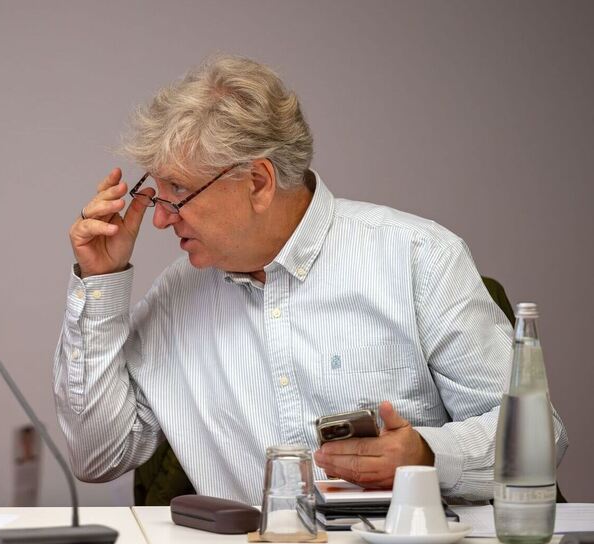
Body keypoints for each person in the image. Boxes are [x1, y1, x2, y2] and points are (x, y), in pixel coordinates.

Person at [54, 55, 567, 505]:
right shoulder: (176, 296)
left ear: (257, 182)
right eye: (154, 192)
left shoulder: (418, 257)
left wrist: (427, 454)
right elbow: (98, 457)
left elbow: (538, 438)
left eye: (177, 192)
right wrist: (102, 283)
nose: (160, 219)